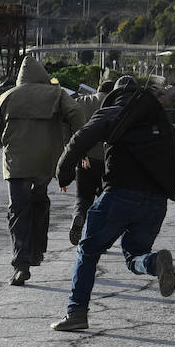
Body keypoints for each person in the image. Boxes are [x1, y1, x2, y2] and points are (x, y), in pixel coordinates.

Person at [49, 75, 175, 332]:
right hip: (156, 201)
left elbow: (80, 138)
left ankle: (76, 312)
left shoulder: (115, 110)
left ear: (115, 94)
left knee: (88, 250)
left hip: (121, 194)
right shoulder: (159, 120)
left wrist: (63, 173)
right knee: (134, 255)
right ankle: (154, 262)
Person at [0, 55, 86, 286]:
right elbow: (77, 113)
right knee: (39, 199)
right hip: (45, 161)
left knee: (18, 209)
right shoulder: (56, 94)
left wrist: (8, 144)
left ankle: (21, 265)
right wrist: (75, 144)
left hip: (16, 162)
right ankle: (37, 252)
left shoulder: (7, 96)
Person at [68, 80, 115, 246]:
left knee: (83, 196)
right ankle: (98, 237)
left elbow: (68, 124)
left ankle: (78, 215)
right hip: (108, 160)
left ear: (98, 90)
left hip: (84, 158)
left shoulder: (81, 102)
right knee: (105, 199)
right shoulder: (115, 105)